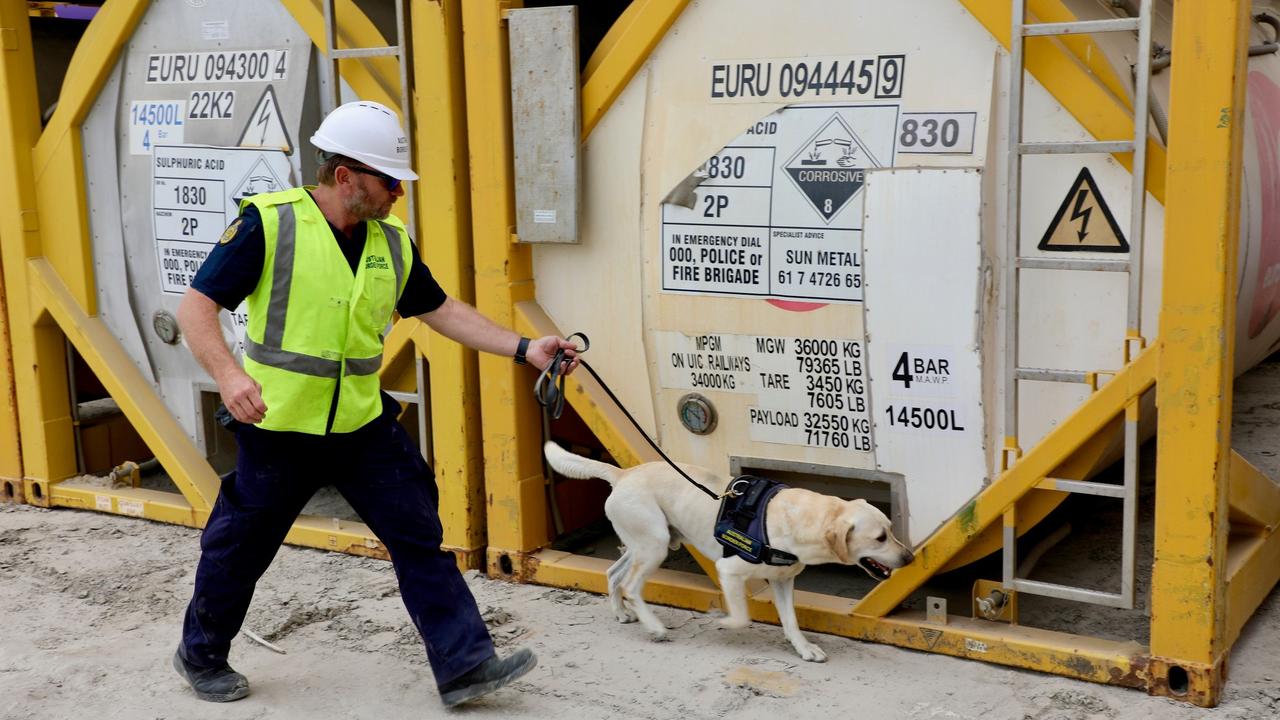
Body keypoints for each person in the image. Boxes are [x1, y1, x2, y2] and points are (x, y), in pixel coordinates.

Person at [172, 100, 579, 708]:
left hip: (361, 424)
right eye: (388, 181)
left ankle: (465, 665)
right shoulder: (269, 225)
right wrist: (229, 377)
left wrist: (525, 348)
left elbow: (440, 310)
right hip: (279, 423)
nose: (396, 194)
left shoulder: (390, 241)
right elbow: (196, 308)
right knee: (241, 546)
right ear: (345, 177)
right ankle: (200, 655)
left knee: (417, 533)